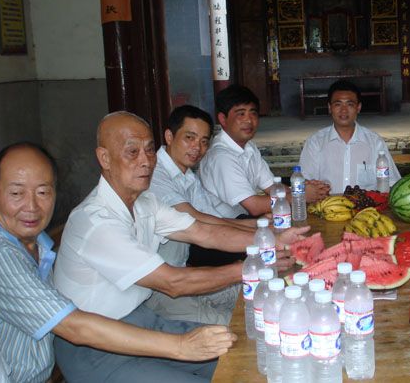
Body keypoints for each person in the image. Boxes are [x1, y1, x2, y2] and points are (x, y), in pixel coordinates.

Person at [52, 112, 309, 382]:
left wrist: (272, 240)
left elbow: (205, 232)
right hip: (95, 349)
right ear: (104, 158)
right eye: (132, 152)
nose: (146, 161)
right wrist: (249, 267)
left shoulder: (144, 203)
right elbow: (173, 283)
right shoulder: (97, 222)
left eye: (150, 151)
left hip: (143, 321)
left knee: (245, 356)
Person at [0, 142, 236, 383]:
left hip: (126, 327)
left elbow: (204, 230)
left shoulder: (36, 243)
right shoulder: (1, 254)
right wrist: (182, 346)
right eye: (16, 193)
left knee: (234, 357)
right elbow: (74, 327)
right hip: (87, 350)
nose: (32, 206)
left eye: (43, 192)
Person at [146, 105, 251, 325]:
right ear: (169, 136)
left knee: (256, 297)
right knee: (236, 328)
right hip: (162, 289)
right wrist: (265, 235)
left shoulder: (186, 175)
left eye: (204, 141)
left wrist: (263, 227)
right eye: (190, 138)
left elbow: (213, 219)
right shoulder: (156, 176)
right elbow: (200, 223)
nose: (197, 148)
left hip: (189, 273)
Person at [199, 84, 329, 218]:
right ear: (223, 119)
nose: (249, 120)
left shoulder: (249, 147)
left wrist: (300, 189)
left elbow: (272, 187)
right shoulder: (221, 157)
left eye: (253, 113)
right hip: (226, 227)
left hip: (245, 219)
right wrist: (300, 196)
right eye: (241, 114)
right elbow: (255, 207)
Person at [299, 80, 401, 194]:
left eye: (350, 104)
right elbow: (303, 182)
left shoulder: (374, 142)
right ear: (329, 107)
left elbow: (392, 182)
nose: (343, 110)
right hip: (328, 208)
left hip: (367, 209)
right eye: (338, 104)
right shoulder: (316, 142)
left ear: (358, 107)